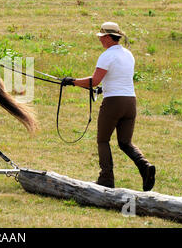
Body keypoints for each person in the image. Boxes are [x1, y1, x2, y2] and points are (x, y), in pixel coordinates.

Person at [61, 22, 156, 191]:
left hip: (113, 102)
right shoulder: (128, 54)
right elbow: (115, 78)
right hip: (130, 102)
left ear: (107, 37)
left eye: (101, 37)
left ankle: (106, 178)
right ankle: (145, 167)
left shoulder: (107, 55)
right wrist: (101, 88)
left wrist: (72, 82)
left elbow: (94, 80)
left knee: (103, 140)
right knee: (125, 142)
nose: (100, 41)